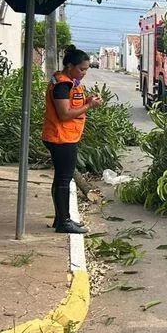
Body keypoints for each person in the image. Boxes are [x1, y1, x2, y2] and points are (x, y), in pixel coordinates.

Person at [42, 45, 103, 234]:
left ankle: (61, 219)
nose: (84, 73)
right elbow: (65, 114)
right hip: (61, 138)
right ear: (69, 66)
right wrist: (90, 106)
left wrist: (86, 101)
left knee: (61, 179)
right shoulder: (62, 85)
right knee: (63, 180)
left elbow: (71, 105)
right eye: (81, 69)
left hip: (63, 137)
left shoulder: (69, 81)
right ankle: (64, 222)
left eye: (86, 69)